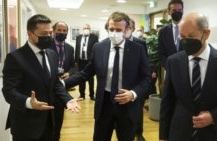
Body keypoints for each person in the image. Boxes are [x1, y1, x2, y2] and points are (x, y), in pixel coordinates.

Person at [64, 11, 151, 141]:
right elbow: (86, 73)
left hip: (127, 105)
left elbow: (147, 78)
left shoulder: (137, 49)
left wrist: (133, 93)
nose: (114, 32)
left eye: (118, 29)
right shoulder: (99, 47)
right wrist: (63, 83)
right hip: (104, 103)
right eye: (111, 29)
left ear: (127, 30)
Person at [159, 12, 217, 141]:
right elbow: (167, 101)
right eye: (182, 36)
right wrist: (163, 136)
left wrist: (213, 116)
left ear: (206, 33)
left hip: (214, 134)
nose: (186, 41)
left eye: (191, 36)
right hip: (179, 133)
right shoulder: (173, 61)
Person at [2, 14, 82, 141]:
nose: (49, 37)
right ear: (30, 33)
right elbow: (9, 91)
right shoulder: (15, 57)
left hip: (50, 120)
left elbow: (55, 83)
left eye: (50, 33)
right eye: (44, 34)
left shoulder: (52, 55)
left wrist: (67, 99)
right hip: (27, 124)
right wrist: (29, 102)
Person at [50, 21, 76, 141]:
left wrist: (69, 73)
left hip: (62, 87)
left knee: (59, 117)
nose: (61, 33)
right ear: (53, 31)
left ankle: (56, 137)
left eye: (64, 31)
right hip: (48, 86)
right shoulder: (46, 45)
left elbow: (73, 65)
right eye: (59, 30)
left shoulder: (70, 48)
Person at [125, 18, 147, 141]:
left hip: (137, 82)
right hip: (123, 81)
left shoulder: (140, 43)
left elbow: (145, 63)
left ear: (132, 29)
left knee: (138, 110)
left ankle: (139, 133)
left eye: (129, 27)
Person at [75, 24, 98, 100]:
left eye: (87, 28)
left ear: (90, 29)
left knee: (90, 79)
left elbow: (96, 50)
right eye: (84, 28)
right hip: (81, 61)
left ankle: (91, 95)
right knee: (81, 79)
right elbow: (77, 49)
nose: (86, 29)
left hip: (90, 62)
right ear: (82, 29)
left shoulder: (94, 38)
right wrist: (76, 61)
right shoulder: (78, 37)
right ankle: (82, 95)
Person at [158, 0, 184, 68]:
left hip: (187, 70)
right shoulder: (163, 32)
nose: (177, 12)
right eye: (174, 10)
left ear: (182, 11)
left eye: (179, 10)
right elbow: (162, 53)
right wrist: (168, 67)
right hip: (170, 70)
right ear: (169, 12)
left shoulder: (190, 29)